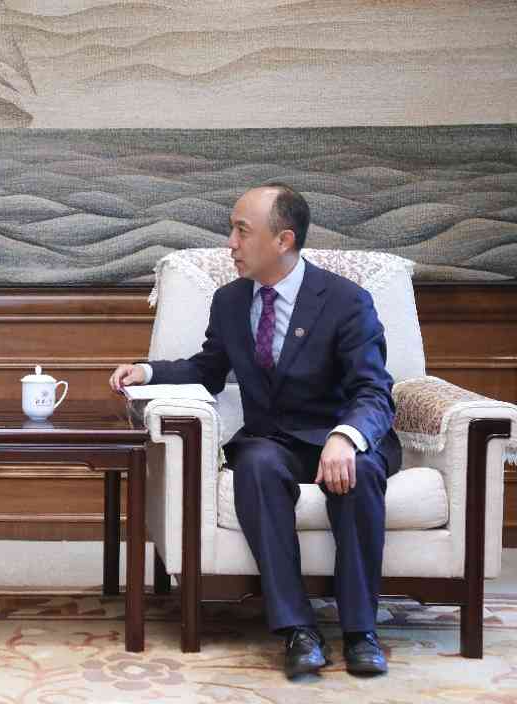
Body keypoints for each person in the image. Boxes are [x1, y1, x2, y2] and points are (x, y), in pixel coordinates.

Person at [110, 184, 400, 678]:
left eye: (242, 231)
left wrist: (346, 436)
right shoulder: (230, 301)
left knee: (359, 473)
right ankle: (298, 630)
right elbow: (207, 369)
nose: (231, 244)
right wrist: (148, 371)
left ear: (283, 240)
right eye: (233, 231)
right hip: (275, 442)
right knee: (257, 465)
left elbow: (374, 390)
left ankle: (360, 632)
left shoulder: (346, 301)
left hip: (339, 435)